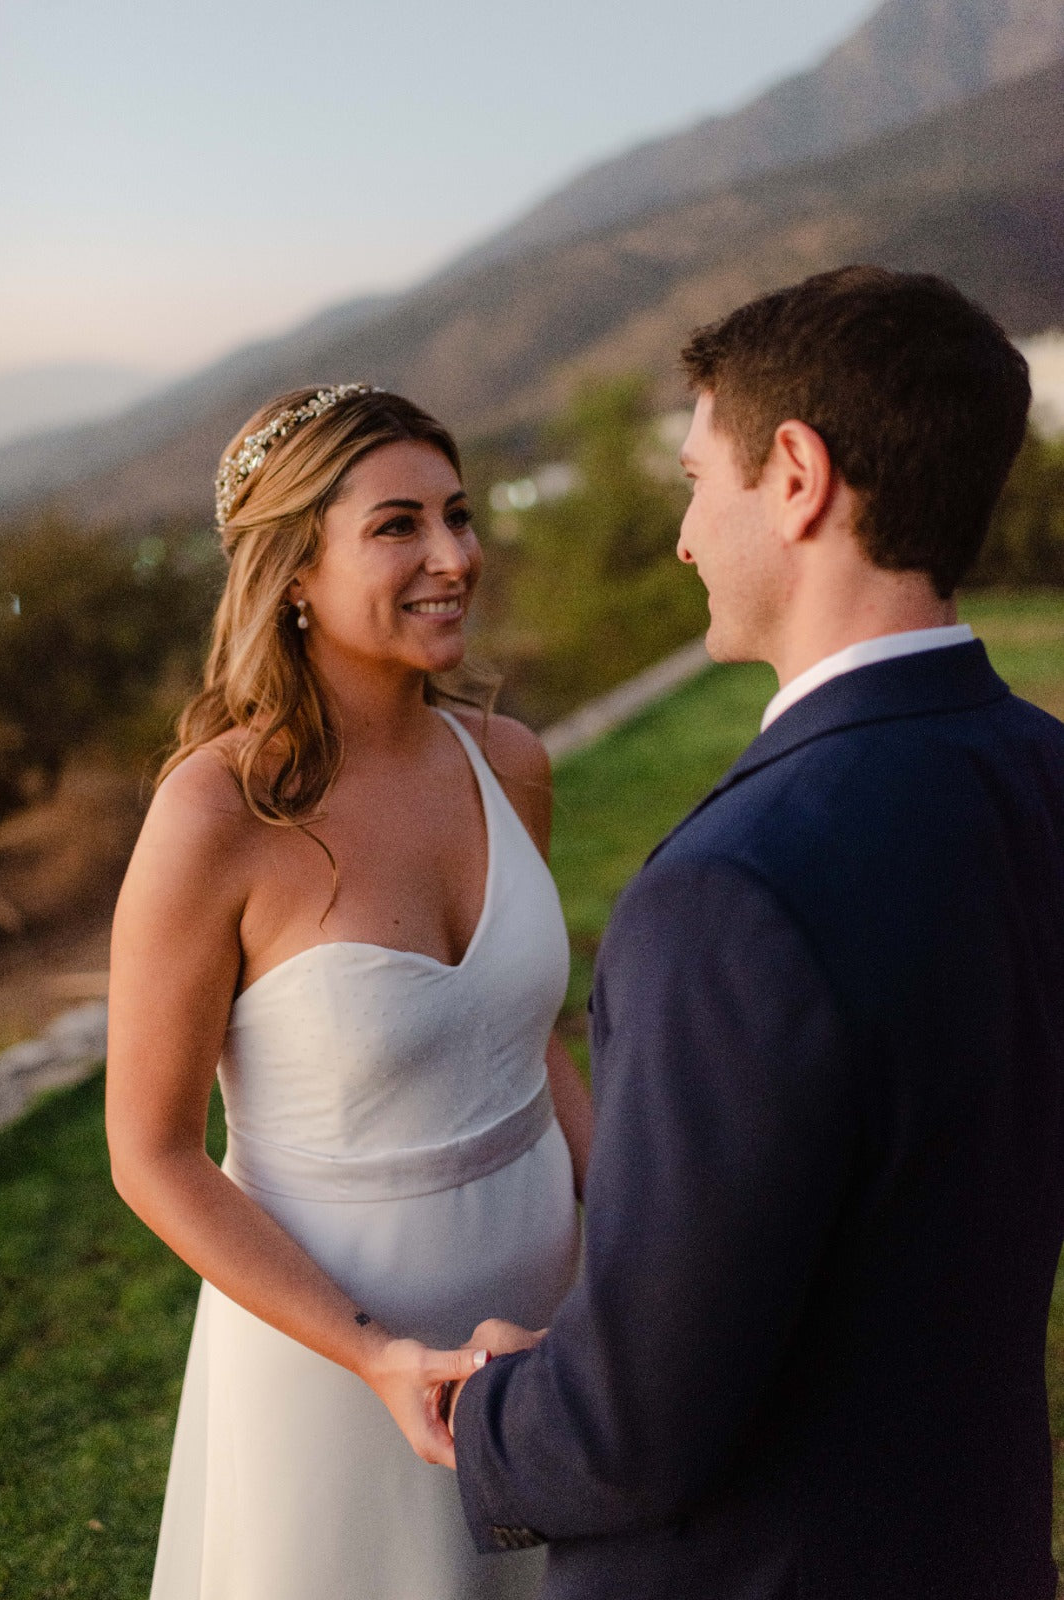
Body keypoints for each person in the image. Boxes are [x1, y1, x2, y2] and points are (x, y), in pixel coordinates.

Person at [447, 268, 1064, 1599]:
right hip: (976, 1540)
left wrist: (487, 1414)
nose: (679, 536)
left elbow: (631, 1423)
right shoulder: (1041, 773)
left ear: (793, 476)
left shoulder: (729, 890)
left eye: (691, 480)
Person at [105, 383, 592, 1600]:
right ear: (296, 574)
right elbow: (151, 1153)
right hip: (330, 1359)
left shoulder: (510, 764)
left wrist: (624, 1241)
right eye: (397, 526)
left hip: (545, 1311)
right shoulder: (214, 816)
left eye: (459, 514)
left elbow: (530, 1043)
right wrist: (374, 1357)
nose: (453, 557)